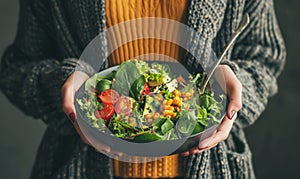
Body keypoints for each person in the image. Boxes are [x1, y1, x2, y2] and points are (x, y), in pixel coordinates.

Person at [0, 0, 285, 178]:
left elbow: (263, 57)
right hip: (80, 167)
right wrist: (63, 83)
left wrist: (231, 82)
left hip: (211, 169)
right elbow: (17, 68)